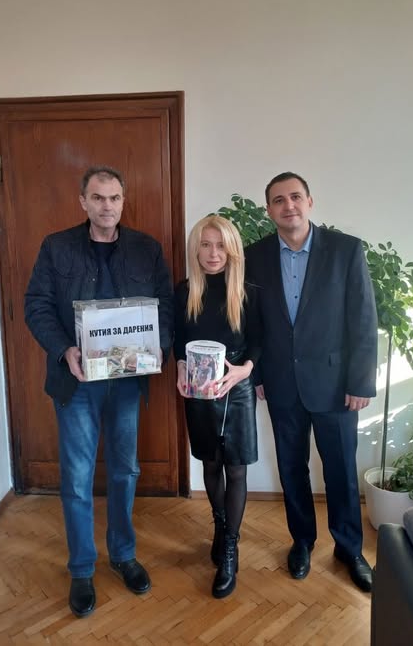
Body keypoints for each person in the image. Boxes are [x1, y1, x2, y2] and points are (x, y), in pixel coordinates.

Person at [24, 166, 173, 617]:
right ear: (83, 202)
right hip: (77, 382)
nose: (107, 206)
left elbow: (166, 306)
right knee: (77, 476)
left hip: (127, 381)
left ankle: (123, 555)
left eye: (114, 198)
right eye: (98, 197)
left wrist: (158, 346)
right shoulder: (56, 247)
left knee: (126, 470)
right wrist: (64, 349)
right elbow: (36, 305)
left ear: (123, 201)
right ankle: (82, 568)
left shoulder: (147, 248)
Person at [245, 172, 378, 592]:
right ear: (269, 210)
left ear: (309, 201)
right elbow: (253, 324)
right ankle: (301, 541)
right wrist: (259, 374)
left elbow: (363, 319)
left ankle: (350, 548)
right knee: (291, 467)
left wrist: (361, 381)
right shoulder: (254, 256)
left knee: (340, 470)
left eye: (295, 197)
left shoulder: (345, 250)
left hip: (337, 385)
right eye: (278, 200)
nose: (289, 205)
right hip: (281, 382)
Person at [174, 216, 260, 599]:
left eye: (220, 245)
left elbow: (260, 340)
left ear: (232, 249)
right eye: (206, 245)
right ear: (196, 249)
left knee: (236, 468)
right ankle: (221, 526)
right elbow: (178, 338)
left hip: (236, 388)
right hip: (198, 389)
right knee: (210, 464)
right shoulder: (184, 291)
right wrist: (180, 366)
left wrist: (246, 370)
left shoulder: (248, 292)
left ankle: (230, 546)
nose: (213, 253)